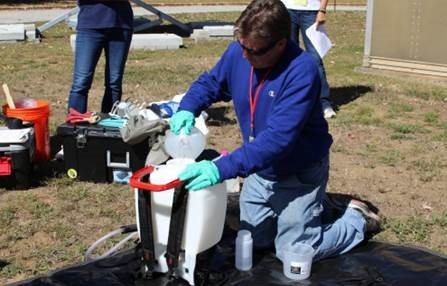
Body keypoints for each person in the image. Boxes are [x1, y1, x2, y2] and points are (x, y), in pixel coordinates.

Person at [169, 0, 380, 262]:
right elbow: (212, 83)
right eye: (242, 46)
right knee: (254, 241)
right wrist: (187, 108)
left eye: (254, 51)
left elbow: (277, 141)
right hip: (261, 169)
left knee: (294, 253)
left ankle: (356, 219)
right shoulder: (241, 51)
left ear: (281, 43)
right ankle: (316, 207)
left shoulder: (302, 71)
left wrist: (219, 168)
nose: (245, 56)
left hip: (298, 170)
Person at [67, 0, 133, 113]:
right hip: (89, 26)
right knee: (81, 82)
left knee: (114, 82)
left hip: (120, 25)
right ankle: (74, 125)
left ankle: (109, 124)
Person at [281, 0, 336, 119]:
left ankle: (324, 103)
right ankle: (292, 100)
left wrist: (322, 10)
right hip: (287, 11)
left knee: (315, 59)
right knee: (289, 60)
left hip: (311, 12)